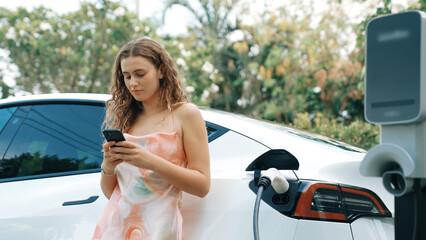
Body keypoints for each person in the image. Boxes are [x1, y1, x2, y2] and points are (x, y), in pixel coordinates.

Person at [92, 37, 210, 240]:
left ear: (162, 71)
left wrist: (149, 161)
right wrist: (108, 165)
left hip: (159, 229)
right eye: (126, 76)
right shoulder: (126, 118)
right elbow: (112, 193)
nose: (133, 83)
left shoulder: (185, 114)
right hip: (115, 228)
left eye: (140, 74)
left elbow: (202, 186)